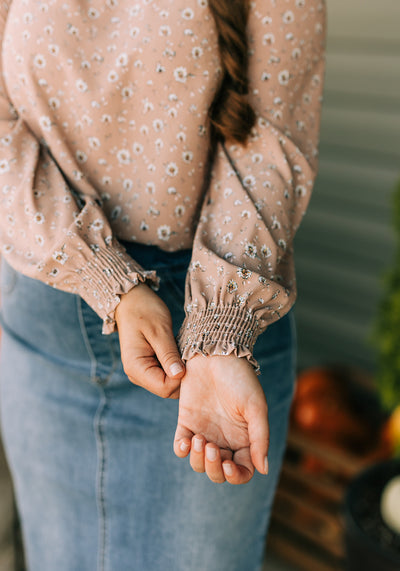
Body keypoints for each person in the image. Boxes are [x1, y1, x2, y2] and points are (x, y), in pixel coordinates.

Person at [0, 0, 326, 569]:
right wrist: (106, 278)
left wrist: (220, 333)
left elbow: (272, 132)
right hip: (47, 317)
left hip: (220, 326)